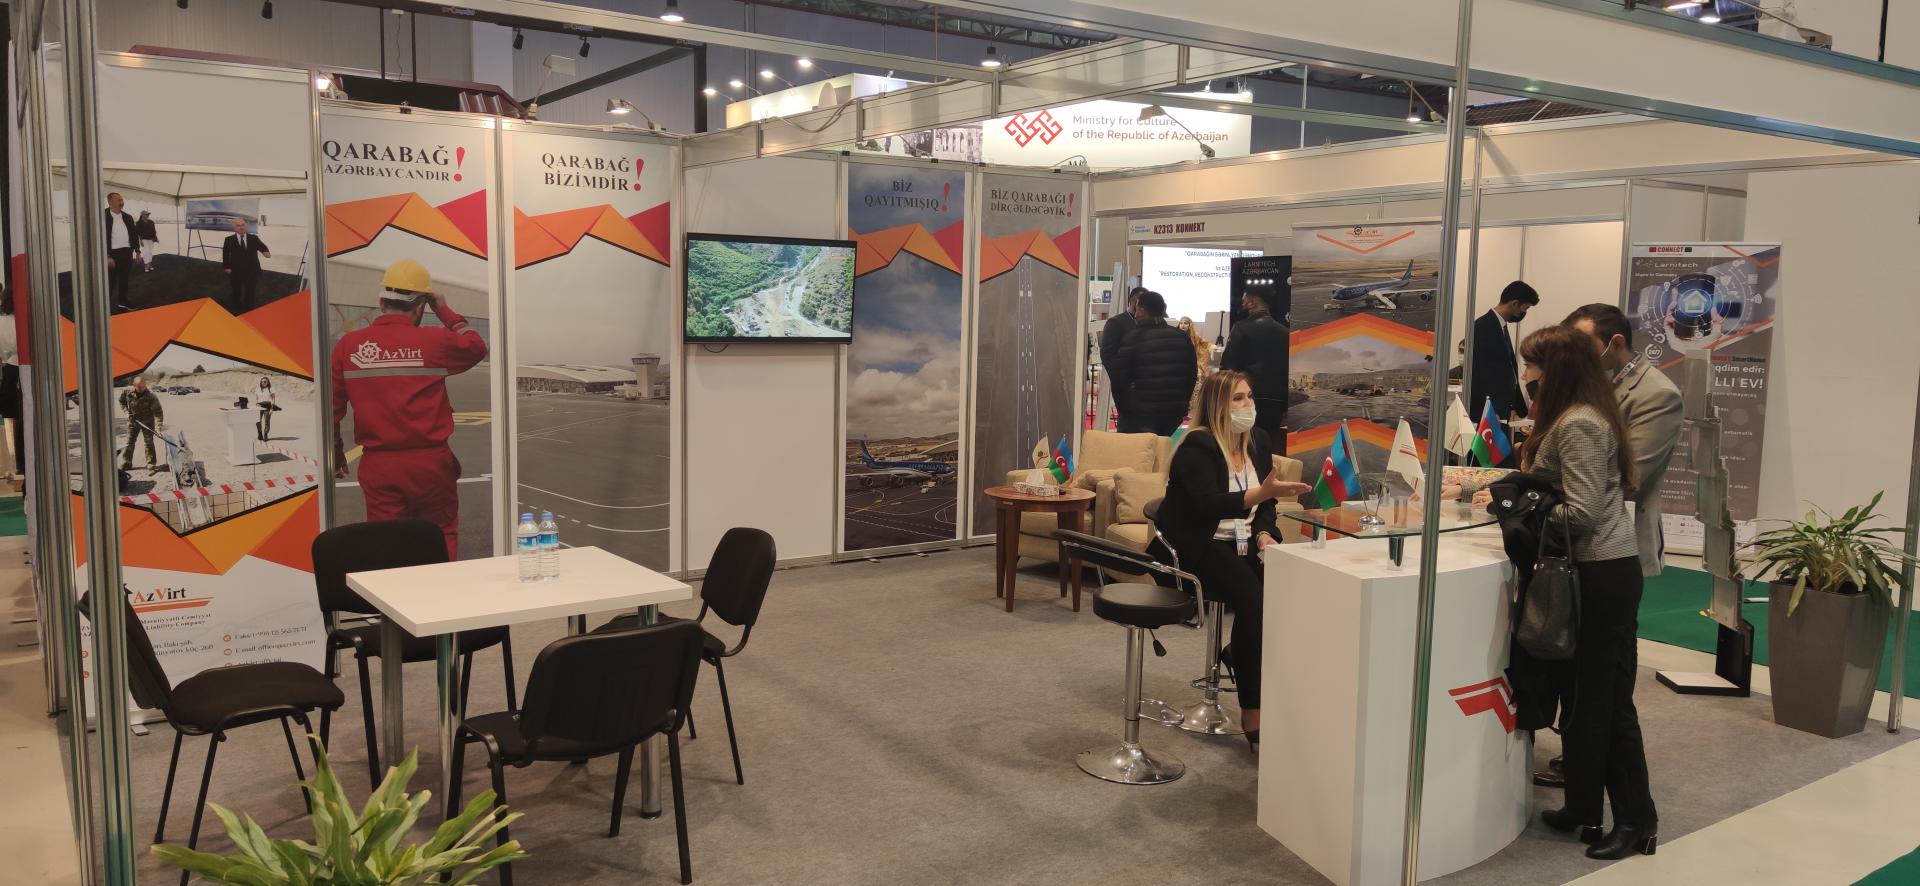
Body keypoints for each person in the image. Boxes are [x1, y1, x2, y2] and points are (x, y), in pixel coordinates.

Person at [1506, 325, 1657, 860]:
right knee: (1579, 699)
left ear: (1557, 370)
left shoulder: (1581, 424)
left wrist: (1521, 507)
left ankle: (1637, 820)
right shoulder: (1579, 417)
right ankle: (1583, 807)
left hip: (1600, 574)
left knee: (1606, 702)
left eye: (1533, 365)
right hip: (1588, 572)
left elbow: (1583, 513)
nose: (1527, 375)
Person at [1151, 370, 1313, 752]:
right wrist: (1259, 494)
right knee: (1253, 598)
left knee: (1288, 586)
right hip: (1198, 544)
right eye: (1237, 399)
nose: (1247, 405)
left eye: (1249, 396)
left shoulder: (1257, 440)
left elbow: (1267, 505)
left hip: (1244, 542)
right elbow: (1208, 504)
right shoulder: (1197, 446)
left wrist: (1265, 534)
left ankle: (1237, 654)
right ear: (1217, 406)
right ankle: (1253, 708)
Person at [331, 259, 487, 560]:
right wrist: (444, 310)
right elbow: (476, 346)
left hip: (379, 466)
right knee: (440, 534)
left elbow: (333, 409)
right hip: (431, 464)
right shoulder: (434, 341)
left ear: (381, 303)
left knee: (387, 544)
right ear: (420, 306)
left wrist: (336, 450)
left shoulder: (348, 346)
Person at [1467, 280, 1539, 462]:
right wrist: (1488, 409)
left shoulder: (1500, 327)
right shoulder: (1482, 327)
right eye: (1524, 308)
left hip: (1501, 410)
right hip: (1489, 412)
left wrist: (1516, 406)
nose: (1523, 313)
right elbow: (1479, 373)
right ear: (1514, 304)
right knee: (1489, 462)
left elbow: (1507, 369)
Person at [1109, 290, 1197, 435]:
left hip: (1140, 414)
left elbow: (1119, 379)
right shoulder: (1182, 337)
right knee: (1164, 447)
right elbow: (1191, 375)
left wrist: (1124, 410)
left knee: (1140, 449)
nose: (1135, 314)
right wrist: (1182, 403)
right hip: (1172, 413)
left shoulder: (1132, 338)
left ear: (1142, 310)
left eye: (1137, 309)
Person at [1218, 284, 1289, 436]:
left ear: (1252, 303)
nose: (1242, 303)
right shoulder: (1285, 332)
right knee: (1267, 442)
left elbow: (1227, 367)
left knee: (1243, 442)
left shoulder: (1241, 328)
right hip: (1276, 401)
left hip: (1245, 399)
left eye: (1244, 300)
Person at [1099, 287, 1143, 427]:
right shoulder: (1116, 323)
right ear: (1134, 302)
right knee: (1127, 427)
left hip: (1145, 389)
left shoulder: (1146, 323)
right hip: (1125, 389)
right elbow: (1107, 355)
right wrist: (1121, 378)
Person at [222, 218, 272, 313]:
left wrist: (265, 252)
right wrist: (226, 266)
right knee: (236, 289)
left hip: (252, 270)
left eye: (243, 225)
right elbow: (225, 254)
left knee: (250, 290)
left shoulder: (254, 238)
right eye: (238, 226)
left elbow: (262, 246)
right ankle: (236, 304)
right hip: (236, 270)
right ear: (234, 228)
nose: (241, 227)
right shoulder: (229, 240)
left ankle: (249, 306)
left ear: (246, 225)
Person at [119, 375, 164, 473]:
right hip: (133, 421)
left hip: (148, 422)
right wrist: (126, 412)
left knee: (149, 443)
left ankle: (151, 464)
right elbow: (121, 401)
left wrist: (158, 428)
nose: (142, 389)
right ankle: (127, 462)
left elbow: (158, 413)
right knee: (129, 442)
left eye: (144, 386)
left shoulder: (151, 396)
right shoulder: (127, 391)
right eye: (139, 387)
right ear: (134, 385)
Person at [104, 192, 139, 311]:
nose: (121, 202)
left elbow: (134, 234)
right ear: (110, 202)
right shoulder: (102, 216)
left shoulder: (128, 217)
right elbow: (98, 237)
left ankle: (122, 301)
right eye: (118, 200)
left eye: (122, 200)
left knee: (124, 279)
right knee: (110, 281)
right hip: (111, 254)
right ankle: (104, 305)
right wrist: (106, 256)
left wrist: (137, 251)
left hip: (126, 252)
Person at [255, 376, 278, 442]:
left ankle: (265, 434)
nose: (263, 383)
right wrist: (256, 405)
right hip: (259, 407)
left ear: (267, 382)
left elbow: (273, 399)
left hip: (267, 407)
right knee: (257, 421)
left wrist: (272, 409)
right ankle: (260, 434)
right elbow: (256, 398)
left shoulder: (271, 389)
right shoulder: (258, 389)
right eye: (262, 381)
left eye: (265, 381)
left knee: (267, 422)